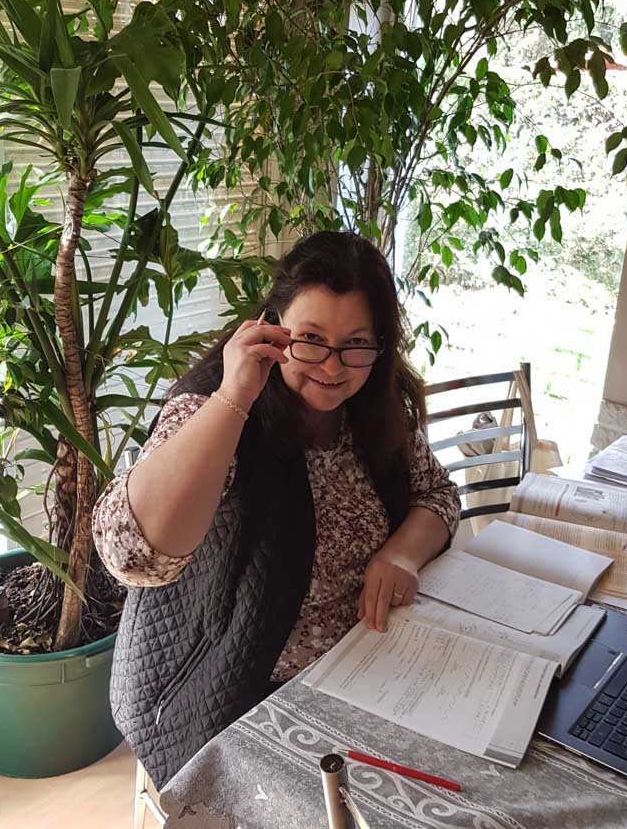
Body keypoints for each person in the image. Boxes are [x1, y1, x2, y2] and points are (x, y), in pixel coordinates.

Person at [92, 231, 460, 787]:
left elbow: (438, 495)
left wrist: (401, 554)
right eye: (310, 339)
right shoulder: (213, 407)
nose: (332, 367)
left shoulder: (374, 409)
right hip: (231, 691)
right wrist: (234, 397)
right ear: (272, 326)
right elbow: (132, 556)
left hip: (367, 666)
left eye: (356, 344)